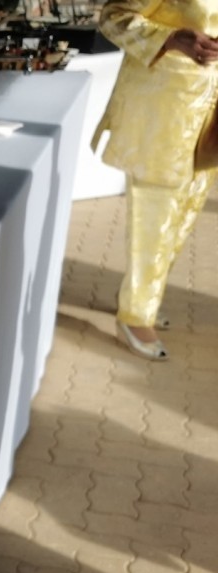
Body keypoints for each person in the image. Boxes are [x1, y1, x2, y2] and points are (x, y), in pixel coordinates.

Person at [93, 0, 218, 361]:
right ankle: (135, 314)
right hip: (164, 109)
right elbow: (113, 17)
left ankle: (143, 296)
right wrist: (170, 38)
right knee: (155, 215)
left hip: (210, 113)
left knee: (186, 213)